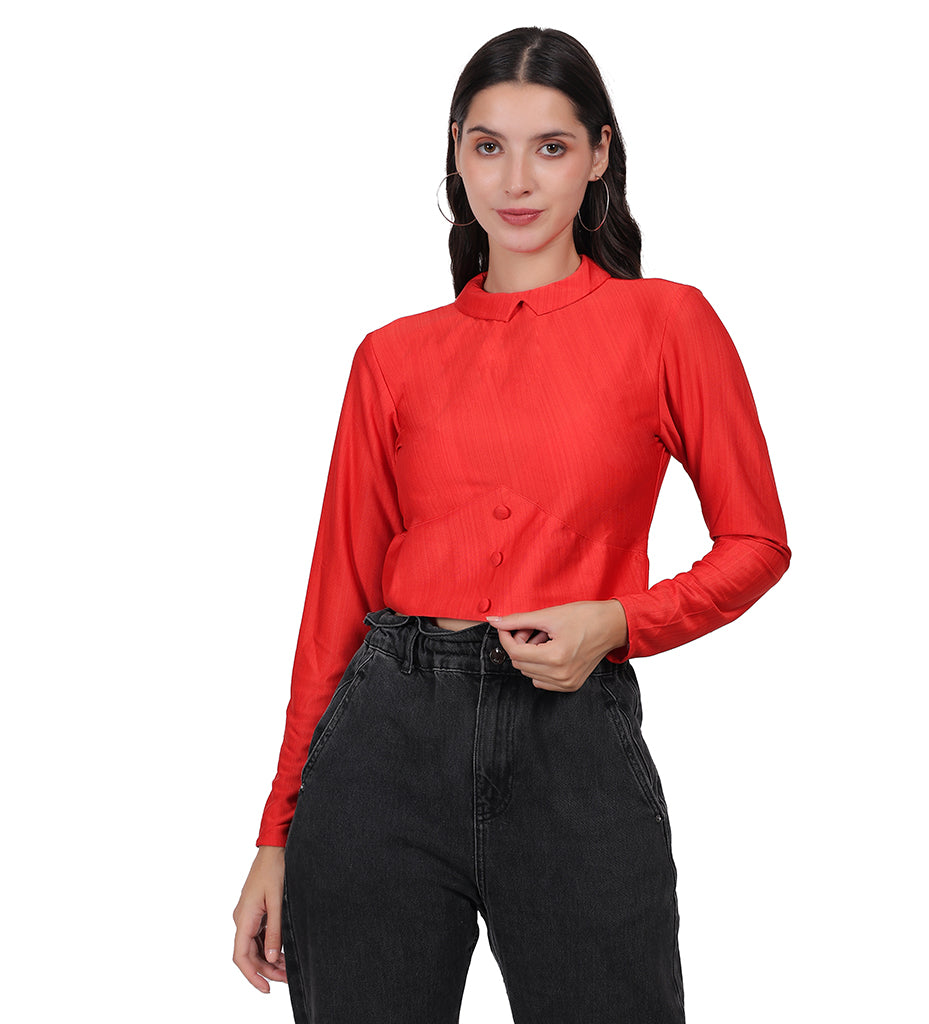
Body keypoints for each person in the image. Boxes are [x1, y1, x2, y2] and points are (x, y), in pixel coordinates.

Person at [232, 25, 790, 1024]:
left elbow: (756, 543)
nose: (517, 180)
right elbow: (336, 603)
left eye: (552, 146)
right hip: (380, 748)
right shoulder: (392, 357)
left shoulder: (668, 324)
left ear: (600, 155)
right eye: (488, 146)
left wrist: (617, 623)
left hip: (572, 748)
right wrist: (276, 833)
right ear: (456, 154)